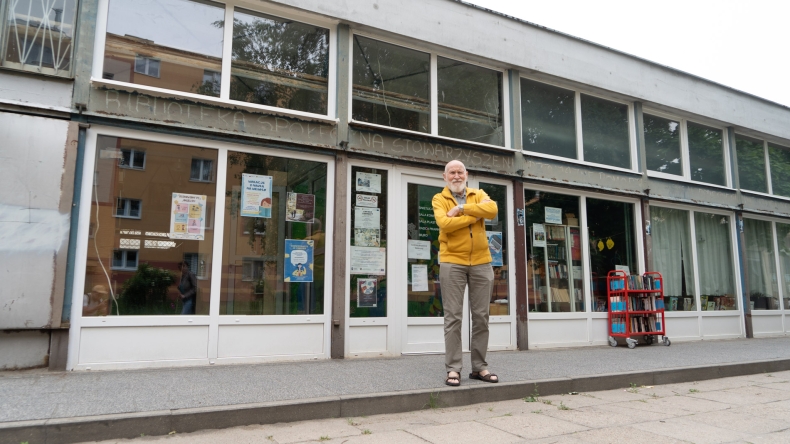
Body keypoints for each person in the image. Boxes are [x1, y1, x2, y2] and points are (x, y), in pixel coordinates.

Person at [432, 160, 499, 387]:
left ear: (466, 174)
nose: (456, 176)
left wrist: (461, 209)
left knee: (481, 317)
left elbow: (492, 210)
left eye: (460, 172)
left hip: (482, 262)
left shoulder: (478, 193)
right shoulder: (439, 199)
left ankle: (479, 368)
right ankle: (453, 368)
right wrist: (476, 215)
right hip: (452, 261)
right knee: (453, 317)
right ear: (445, 176)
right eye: (452, 172)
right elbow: (445, 223)